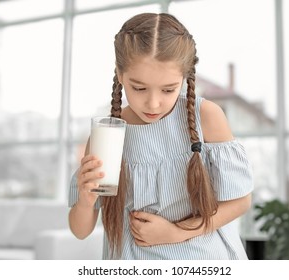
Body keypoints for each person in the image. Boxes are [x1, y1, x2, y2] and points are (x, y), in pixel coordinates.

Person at [68, 13, 253, 260]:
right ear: (120, 74)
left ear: (184, 79)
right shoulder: (107, 135)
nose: (153, 104)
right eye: (139, 88)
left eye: (168, 89)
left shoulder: (207, 116)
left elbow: (241, 202)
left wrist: (176, 232)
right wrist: (84, 201)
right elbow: (80, 231)